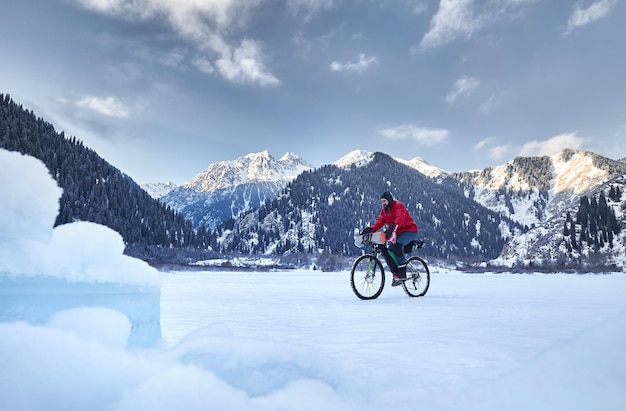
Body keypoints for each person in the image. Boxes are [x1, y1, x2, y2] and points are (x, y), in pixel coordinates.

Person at [361, 191, 419, 286]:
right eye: (382, 201)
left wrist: (393, 226)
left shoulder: (398, 206)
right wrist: (370, 229)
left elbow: (400, 218)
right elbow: (379, 222)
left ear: (390, 200)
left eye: (385, 201)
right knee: (390, 251)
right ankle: (396, 273)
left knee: (398, 245)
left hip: (409, 230)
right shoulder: (384, 211)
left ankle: (402, 272)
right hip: (397, 233)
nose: (383, 203)